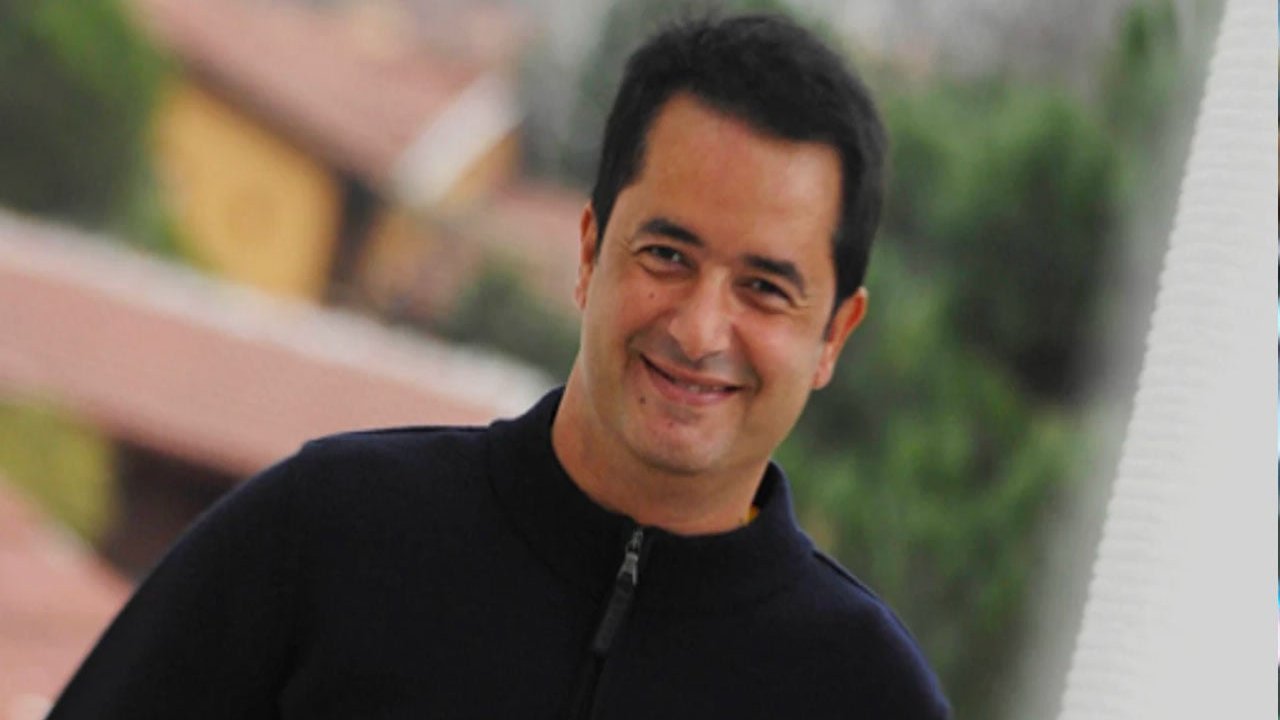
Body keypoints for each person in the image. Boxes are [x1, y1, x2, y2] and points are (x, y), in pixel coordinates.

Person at [50, 13, 950, 719]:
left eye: (764, 288)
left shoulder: (868, 696)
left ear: (835, 335)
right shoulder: (325, 534)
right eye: (667, 255)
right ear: (589, 252)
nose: (700, 327)